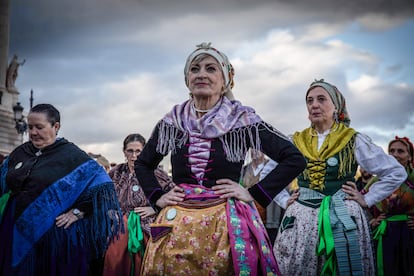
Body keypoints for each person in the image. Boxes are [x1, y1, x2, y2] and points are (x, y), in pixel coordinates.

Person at [134, 42, 307, 275]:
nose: (201, 74)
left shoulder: (242, 120)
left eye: (211, 69)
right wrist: (158, 197)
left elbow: (294, 158)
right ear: (187, 80)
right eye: (194, 69)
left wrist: (254, 194)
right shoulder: (173, 121)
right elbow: (143, 163)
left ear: (225, 80)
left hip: (226, 223)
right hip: (178, 224)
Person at [273, 79, 407, 276]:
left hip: (342, 213)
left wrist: (367, 198)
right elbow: (267, 171)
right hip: (301, 219)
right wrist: (284, 200)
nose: (314, 105)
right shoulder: (295, 140)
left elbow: (396, 172)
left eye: (321, 99)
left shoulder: (353, 139)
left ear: (336, 106)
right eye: (310, 101)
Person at [0, 103, 123, 276]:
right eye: (30, 127)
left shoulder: (72, 156)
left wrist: (78, 212)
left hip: (52, 241)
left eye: (39, 127)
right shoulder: (21, 152)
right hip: (13, 231)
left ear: (56, 126)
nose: (33, 132)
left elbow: (104, 190)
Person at [103, 133, 174, 276]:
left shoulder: (156, 173)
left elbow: (173, 196)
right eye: (130, 151)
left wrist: (155, 208)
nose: (134, 155)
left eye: (138, 151)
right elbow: (103, 198)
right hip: (119, 222)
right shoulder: (115, 173)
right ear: (124, 152)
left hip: (148, 224)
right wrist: (113, 212)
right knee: (114, 252)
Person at [365, 136, 414, 276]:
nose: (395, 155)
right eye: (391, 151)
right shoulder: (377, 180)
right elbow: (360, 203)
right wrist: (372, 221)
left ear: (410, 156)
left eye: (401, 151)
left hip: (409, 233)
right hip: (385, 233)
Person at [240, 149, 282, 243]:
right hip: (248, 216)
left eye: (258, 148)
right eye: (252, 148)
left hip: (268, 218)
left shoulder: (272, 167)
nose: (255, 151)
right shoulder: (244, 169)